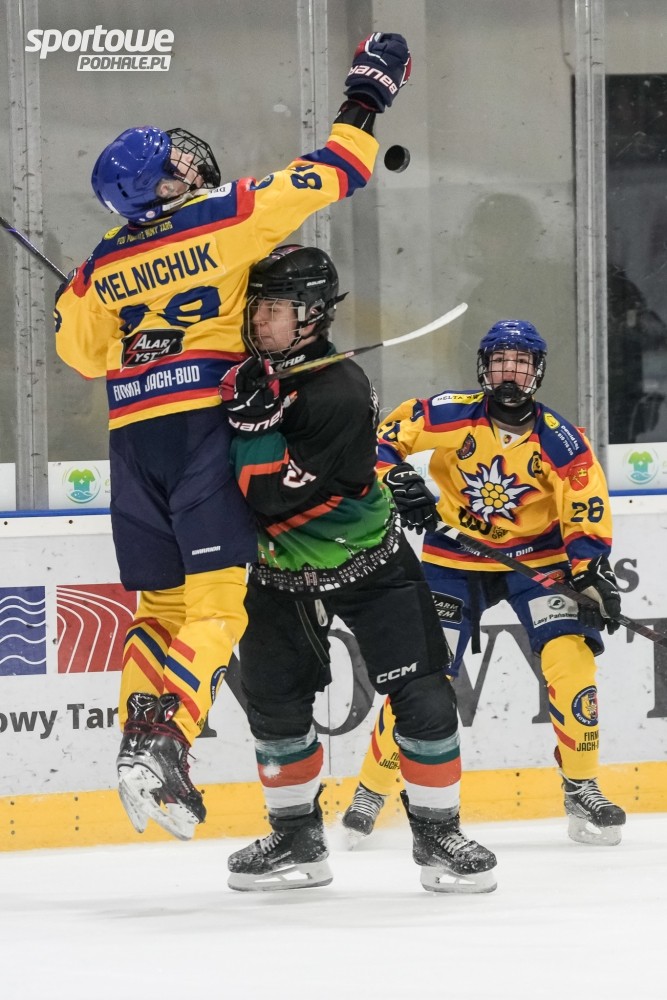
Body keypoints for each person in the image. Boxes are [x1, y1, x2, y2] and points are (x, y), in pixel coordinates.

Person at [53, 31, 412, 842]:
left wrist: (119, 298)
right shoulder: (224, 217)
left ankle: (137, 739)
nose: (190, 162)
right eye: (175, 161)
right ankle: (169, 740)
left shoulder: (99, 266)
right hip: (197, 433)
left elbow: (83, 355)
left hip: (131, 439)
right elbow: (340, 166)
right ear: (162, 184)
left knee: (159, 607)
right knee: (218, 608)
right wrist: (367, 93)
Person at [217, 244, 498, 895]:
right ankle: (296, 838)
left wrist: (254, 428)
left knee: (424, 698)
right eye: (256, 307)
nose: (260, 320)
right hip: (279, 573)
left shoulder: (338, 391)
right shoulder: (245, 375)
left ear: (312, 314)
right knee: (275, 706)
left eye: (275, 309)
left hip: (367, 562)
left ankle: (438, 834)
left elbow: (271, 495)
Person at [342, 319, 627, 847]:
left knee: (570, 660)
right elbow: (380, 441)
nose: (510, 372)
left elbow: (585, 506)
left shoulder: (562, 439)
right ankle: (372, 789)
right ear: (483, 368)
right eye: (500, 361)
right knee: (423, 677)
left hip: (537, 562)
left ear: (537, 372)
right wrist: (395, 479)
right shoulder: (449, 413)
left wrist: (590, 570)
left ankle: (581, 783)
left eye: (521, 363)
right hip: (454, 556)